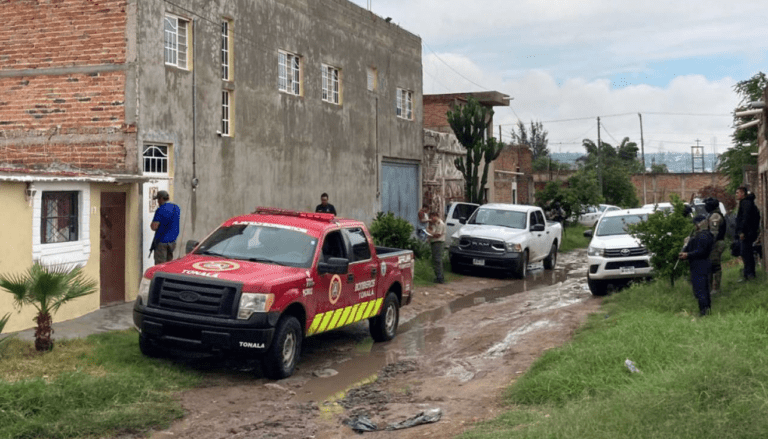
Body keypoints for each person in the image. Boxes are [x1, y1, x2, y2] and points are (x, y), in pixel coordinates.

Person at [679, 215, 714, 316]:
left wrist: (688, 255)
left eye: (696, 224)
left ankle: (705, 311)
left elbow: (701, 251)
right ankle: (705, 310)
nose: (695, 227)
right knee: (699, 289)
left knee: (701, 289)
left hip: (701, 265)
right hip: (696, 265)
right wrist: (686, 245)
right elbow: (690, 249)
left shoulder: (704, 236)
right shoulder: (698, 236)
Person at [735, 186, 761, 281]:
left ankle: (749, 274)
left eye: (738, 193)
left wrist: (742, 232)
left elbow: (745, 219)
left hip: (747, 233)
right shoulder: (746, 203)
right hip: (749, 232)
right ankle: (747, 273)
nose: (736, 195)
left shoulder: (746, 203)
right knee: (745, 253)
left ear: (742, 193)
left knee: (746, 253)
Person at [151, 190, 181, 265]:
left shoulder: (160, 210)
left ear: (161, 199)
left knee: (160, 265)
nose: (158, 202)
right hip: (173, 242)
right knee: (169, 264)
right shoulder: (176, 208)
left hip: (161, 242)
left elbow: (154, 227)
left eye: (158, 199)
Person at [704, 197, 726, 294]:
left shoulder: (715, 216)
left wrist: (708, 243)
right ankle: (709, 288)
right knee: (710, 265)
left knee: (715, 266)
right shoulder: (712, 215)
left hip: (716, 243)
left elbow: (714, 232)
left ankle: (715, 288)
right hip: (714, 243)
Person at [427, 211, 446, 284]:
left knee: (438, 260)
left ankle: (440, 277)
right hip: (434, 242)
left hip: (438, 242)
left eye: (432, 217)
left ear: (436, 216)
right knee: (435, 260)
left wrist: (430, 234)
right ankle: (438, 276)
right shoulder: (434, 224)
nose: (431, 219)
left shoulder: (440, 223)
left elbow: (438, 235)